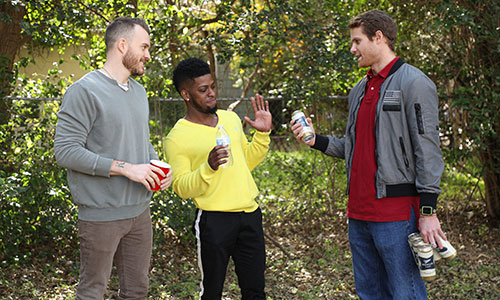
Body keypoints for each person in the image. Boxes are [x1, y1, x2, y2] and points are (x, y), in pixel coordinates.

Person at [291, 9, 446, 300]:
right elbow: (354, 147)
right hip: (358, 213)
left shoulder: (414, 83)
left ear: (379, 37)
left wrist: (428, 211)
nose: (352, 49)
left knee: (405, 292)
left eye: (357, 41)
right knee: (369, 293)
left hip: (396, 213)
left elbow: (428, 150)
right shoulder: (359, 89)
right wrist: (315, 140)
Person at [54, 17, 172, 299]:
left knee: (136, 291)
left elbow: (141, 143)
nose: (148, 55)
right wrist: (126, 169)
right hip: (101, 216)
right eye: (144, 46)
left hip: (140, 214)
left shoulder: (139, 92)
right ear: (122, 45)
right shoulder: (84, 91)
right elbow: (66, 151)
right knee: (93, 291)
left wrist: (156, 167)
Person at [164, 57, 272, 300]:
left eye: (212, 86)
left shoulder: (230, 119)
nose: (211, 93)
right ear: (186, 95)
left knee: (255, 291)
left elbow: (246, 163)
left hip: (249, 215)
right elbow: (181, 187)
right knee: (212, 292)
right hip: (214, 221)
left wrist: (262, 135)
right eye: (203, 90)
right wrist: (208, 167)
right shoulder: (177, 137)